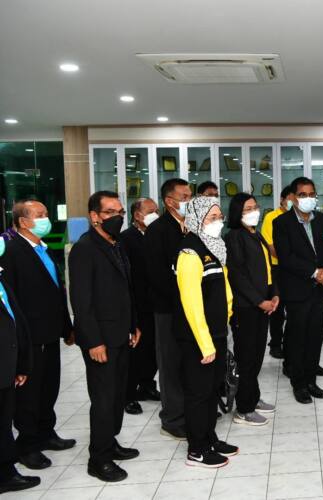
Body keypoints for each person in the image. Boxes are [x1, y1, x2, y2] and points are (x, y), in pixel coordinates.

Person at [69, 191, 141, 482]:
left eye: (120, 212)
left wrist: (134, 324)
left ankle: (110, 443)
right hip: (101, 339)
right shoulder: (85, 249)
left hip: (121, 333)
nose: (118, 217)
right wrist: (93, 341)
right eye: (110, 212)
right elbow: (81, 301)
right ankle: (98, 459)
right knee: (103, 399)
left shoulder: (116, 244)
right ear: (94, 216)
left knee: (117, 395)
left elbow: (127, 289)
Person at [0, 201, 75, 470]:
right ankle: (27, 445)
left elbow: (57, 291)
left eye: (45, 213)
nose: (46, 218)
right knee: (29, 395)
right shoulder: (12, 252)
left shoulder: (44, 248)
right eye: (40, 215)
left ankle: (46, 432)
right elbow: (12, 300)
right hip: (30, 337)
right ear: (23, 222)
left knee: (49, 387)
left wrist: (67, 327)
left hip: (50, 333)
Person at [174, 197, 238, 468]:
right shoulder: (190, 253)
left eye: (219, 216)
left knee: (212, 390)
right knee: (198, 394)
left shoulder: (214, 247)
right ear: (196, 219)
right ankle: (197, 449)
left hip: (217, 332)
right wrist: (205, 343)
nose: (218, 222)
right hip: (198, 339)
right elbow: (191, 303)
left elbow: (224, 290)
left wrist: (226, 321)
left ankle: (210, 438)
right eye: (212, 217)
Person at [273, 177, 323, 404]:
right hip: (297, 290)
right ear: (293, 197)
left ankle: (311, 381)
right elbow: (286, 256)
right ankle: (299, 384)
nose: (308, 199)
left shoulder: (322, 220)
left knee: (315, 337)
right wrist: (314, 272)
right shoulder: (282, 223)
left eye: (311, 194)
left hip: (321, 290)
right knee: (297, 337)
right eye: (303, 195)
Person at [225, 193, 279, 426]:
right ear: (237, 212)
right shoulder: (234, 237)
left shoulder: (255, 234)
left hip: (262, 304)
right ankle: (244, 408)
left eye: (255, 207)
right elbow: (237, 276)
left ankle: (252, 398)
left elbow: (268, 269)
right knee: (246, 357)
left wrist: (274, 294)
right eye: (248, 208)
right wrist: (259, 301)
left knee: (256, 356)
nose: (254, 211)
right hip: (246, 307)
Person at [145, 178, 192, 440]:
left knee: (189, 362)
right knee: (171, 363)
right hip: (169, 308)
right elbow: (157, 275)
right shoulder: (158, 230)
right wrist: (182, 298)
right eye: (184, 197)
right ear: (169, 201)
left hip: (192, 307)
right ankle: (172, 419)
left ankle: (191, 410)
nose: (189, 201)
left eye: (190, 196)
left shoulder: (191, 226)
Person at [0, 240, 40, 494]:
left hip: (7, 363)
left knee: (4, 422)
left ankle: (6, 471)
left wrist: (20, 364)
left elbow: (14, 319)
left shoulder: (2, 279)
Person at [120, 198, 160, 416]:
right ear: (137, 215)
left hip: (155, 302)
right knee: (136, 352)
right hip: (137, 304)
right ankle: (128, 395)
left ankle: (146, 385)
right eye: (151, 211)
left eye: (157, 211)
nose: (155, 214)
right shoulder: (126, 239)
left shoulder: (156, 234)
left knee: (153, 350)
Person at [260, 185, 295, 360]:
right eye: (290, 199)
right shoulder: (271, 217)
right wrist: (288, 259)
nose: (293, 202)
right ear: (282, 199)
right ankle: (275, 344)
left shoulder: (298, 218)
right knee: (278, 309)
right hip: (277, 268)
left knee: (294, 307)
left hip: (295, 269)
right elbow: (270, 245)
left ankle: (290, 344)